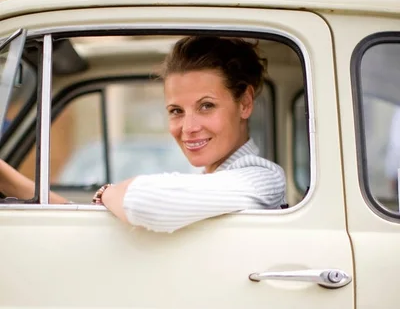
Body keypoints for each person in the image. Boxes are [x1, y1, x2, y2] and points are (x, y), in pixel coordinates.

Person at [0, 36, 286, 232]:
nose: (188, 128)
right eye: (176, 111)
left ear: (245, 103)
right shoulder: (213, 181)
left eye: (206, 106)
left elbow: (142, 202)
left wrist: (107, 192)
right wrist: (11, 182)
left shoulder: (263, 179)